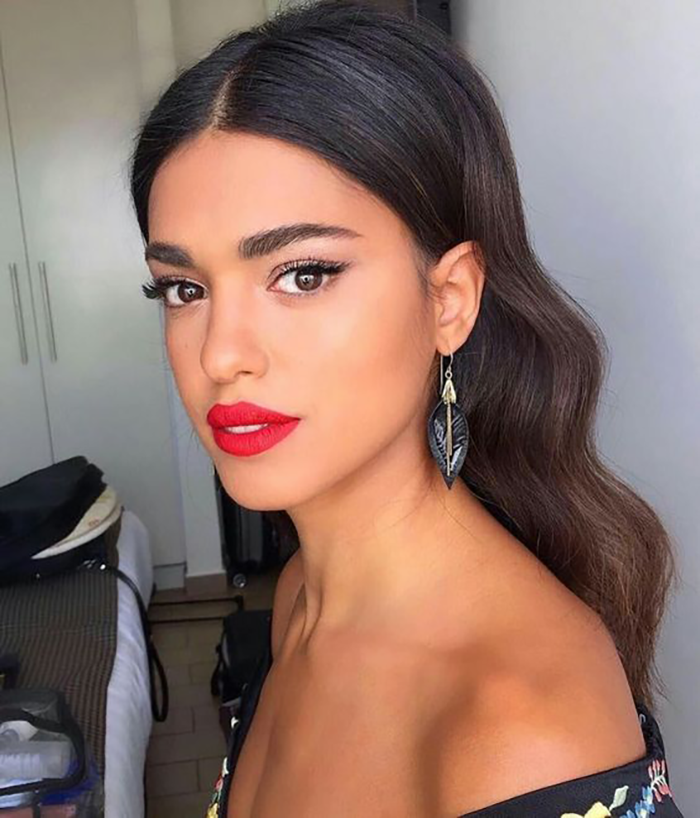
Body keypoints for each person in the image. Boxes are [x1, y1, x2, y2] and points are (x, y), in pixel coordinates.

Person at [128, 1, 685, 815]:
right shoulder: (301, 600)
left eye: (303, 274)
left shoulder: (522, 733)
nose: (220, 354)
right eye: (184, 288)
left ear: (449, 299)